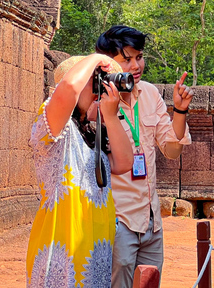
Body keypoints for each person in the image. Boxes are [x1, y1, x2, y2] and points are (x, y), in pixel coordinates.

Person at [95, 26, 194, 288]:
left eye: (139, 56)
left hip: (151, 221)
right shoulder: (96, 104)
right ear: (106, 63)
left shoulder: (150, 94)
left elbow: (172, 151)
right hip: (119, 221)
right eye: (126, 59)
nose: (136, 65)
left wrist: (180, 112)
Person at [26, 54, 134, 288]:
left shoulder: (92, 137)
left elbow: (125, 163)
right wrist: (97, 58)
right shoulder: (54, 129)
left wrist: (111, 116)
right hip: (62, 256)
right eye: (96, 84)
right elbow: (68, 89)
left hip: (93, 260)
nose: (100, 91)